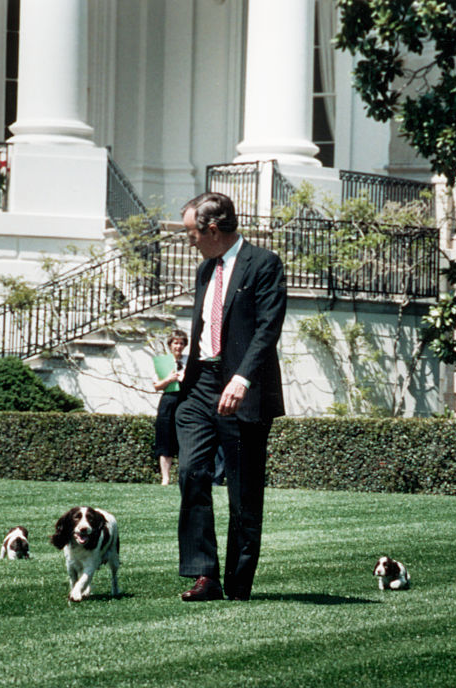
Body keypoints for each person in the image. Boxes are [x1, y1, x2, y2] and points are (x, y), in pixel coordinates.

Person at [174, 191, 287, 602]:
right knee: (191, 472)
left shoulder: (264, 264)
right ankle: (205, 575)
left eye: (191, 233)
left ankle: (239, 586)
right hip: (200, 386)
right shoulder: (207, 270)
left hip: (243, 390)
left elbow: (267, 328)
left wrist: (242, 379)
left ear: (213, 229)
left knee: (243, 493)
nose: (189, 241)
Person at [153, 329, 188, 486]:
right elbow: (157, 386)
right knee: (165, 440)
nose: (178, 346)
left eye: (181, 343)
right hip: (168, 401)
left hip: (186, 401)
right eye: (175, 343)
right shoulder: (162, 362)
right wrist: (169, 379)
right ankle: (165, 479)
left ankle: (184, 477)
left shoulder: (190, 361)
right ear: (170, 345)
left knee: (185, 440)